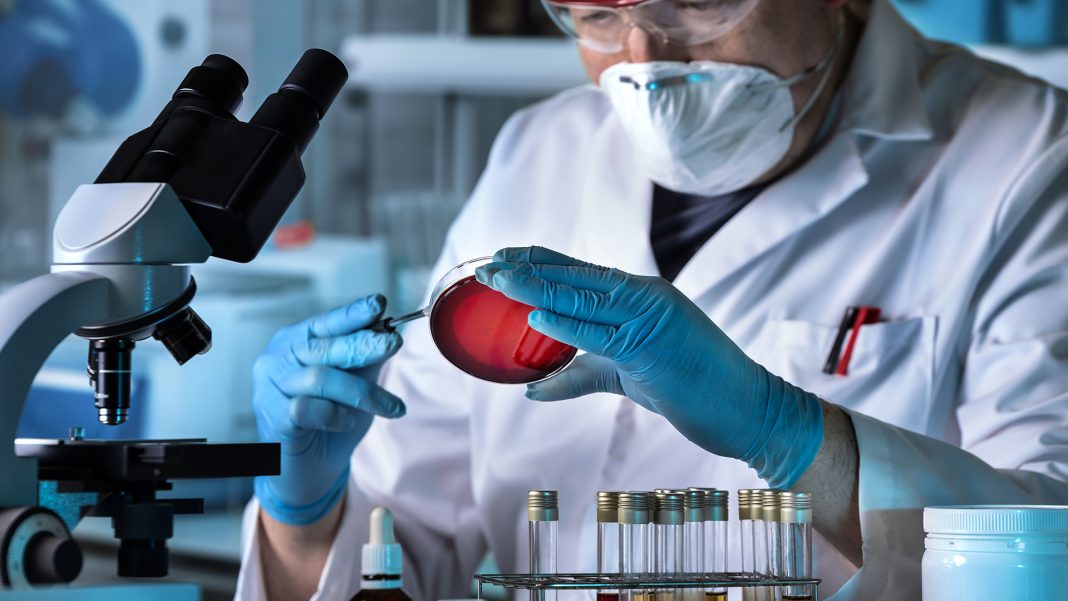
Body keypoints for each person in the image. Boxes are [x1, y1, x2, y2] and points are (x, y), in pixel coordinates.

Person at [236, 0, 1068, 599]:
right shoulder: (538, 151)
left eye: (698, 4)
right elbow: (406, 549)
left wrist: (792, 435)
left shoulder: (1029, 156)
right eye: (598, 16)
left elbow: (1051, 546)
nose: (644, 56)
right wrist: (306, 513)